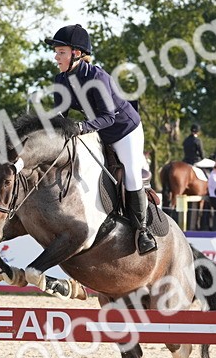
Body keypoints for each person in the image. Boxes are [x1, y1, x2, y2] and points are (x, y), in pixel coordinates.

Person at [46, 23, 156, 254]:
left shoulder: (97, 77)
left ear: (76, 53)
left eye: (61, 52)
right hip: (96, 129)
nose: (56, 57)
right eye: (56, 52)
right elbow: (59, 116)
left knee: (132, 173)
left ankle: (142, 231)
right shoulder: (61, 80)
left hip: (124, 129)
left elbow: (108, 117)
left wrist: (81, 126)